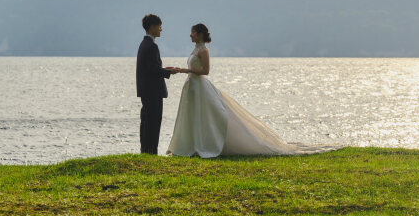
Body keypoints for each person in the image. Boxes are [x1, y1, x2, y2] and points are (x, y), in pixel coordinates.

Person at [166, 23, 334, 157]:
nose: (190, 35)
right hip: (192, 87)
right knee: (193, 115)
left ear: (200, 34)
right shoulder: (195, 49)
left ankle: (206, 144)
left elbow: (205, 71)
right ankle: (192, 144)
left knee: (208, 115)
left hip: (200, 86)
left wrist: (184, 70)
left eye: (193, 33)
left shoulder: (203, 50)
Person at [136, 14, 180, 154]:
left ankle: (145, 150)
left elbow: (150, 68)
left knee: (146, 121)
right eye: (159, 27)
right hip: (153, 91)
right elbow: (153, 70)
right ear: (152, 27)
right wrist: (169, 72)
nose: (161, 29)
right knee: (153, 123)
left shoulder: (144, 44)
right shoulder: (152, 46)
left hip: (146, 90)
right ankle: (151, 151)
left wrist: (164, 69)